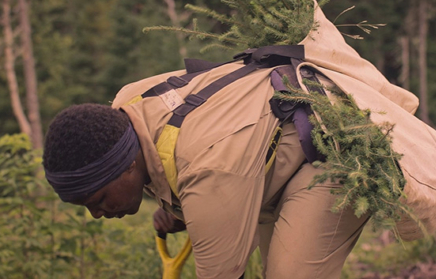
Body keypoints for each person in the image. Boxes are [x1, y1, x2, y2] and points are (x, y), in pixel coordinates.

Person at [43, 55, 369, 279]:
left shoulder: (206, 170)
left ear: (126, 165)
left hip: (338, 142)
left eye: (98, 200)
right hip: (280, 144)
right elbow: (170, 156)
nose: (98, 214)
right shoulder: (126, 110)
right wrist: (177, 207)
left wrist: (198, 205)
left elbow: (208, 175)